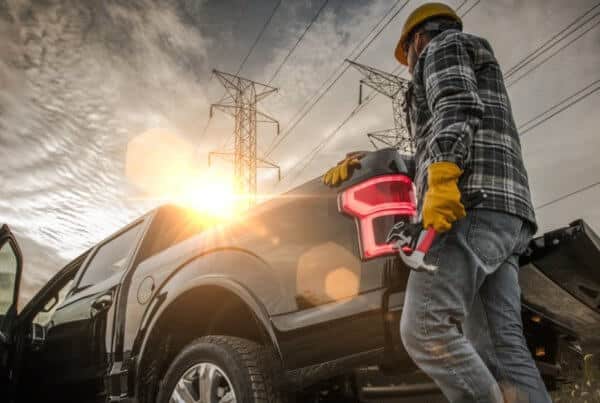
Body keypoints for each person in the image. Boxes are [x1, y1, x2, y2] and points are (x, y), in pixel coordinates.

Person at [324, 3, 551, 402]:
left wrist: (444, 176)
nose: (409, 65)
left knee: (424, 328)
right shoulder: (474, 58)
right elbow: (443, 140)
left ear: (416, 39)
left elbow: (456, 107)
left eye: (406, 54)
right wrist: (374, 162)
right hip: (507, 215)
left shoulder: (441, 48)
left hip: (470, 206)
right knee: (502, 348)